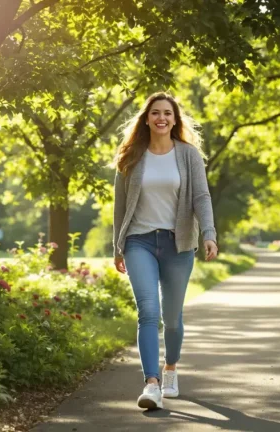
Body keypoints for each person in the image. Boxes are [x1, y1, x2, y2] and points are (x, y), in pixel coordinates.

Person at [112, 92, 218, 410]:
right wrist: (117, 246)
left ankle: (171, 368)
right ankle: (152, 383)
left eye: (167, 113)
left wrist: (209, 233)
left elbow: (202, 197)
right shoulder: (131, 156)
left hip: (178, 243)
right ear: (146, 118)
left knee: (172, 318)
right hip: (138, 241)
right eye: (155, 112)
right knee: (149, 311)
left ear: (175, 119)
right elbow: (119, 207)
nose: (161, 118)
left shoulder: (188, 155)